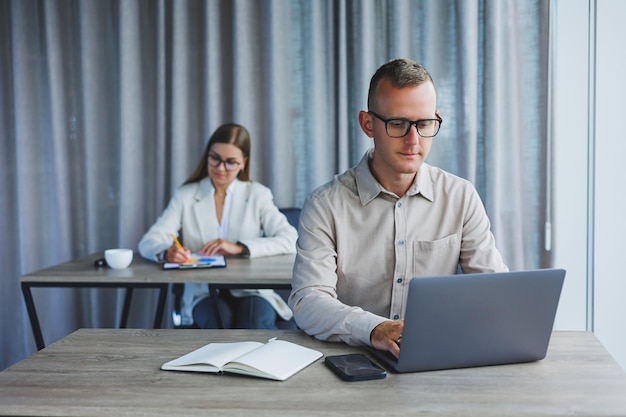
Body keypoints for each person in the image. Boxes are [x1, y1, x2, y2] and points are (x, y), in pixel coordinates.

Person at [288, 58, 508, 358]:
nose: (413, 139)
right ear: (368, 124)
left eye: (424, 123)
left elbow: (493, 290)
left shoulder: (460, 196)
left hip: (437, 358)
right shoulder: (325, 205)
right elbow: (308, 300)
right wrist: (375, 329)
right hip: (352, 361)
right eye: (398, 124)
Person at [139, 123, 297, 329]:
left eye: (230, 162)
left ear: (243, 163)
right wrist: (166, 252)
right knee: (218, 322)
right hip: (202, 291)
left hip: (251, 290)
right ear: (207, 156)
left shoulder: (258, 195)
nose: (220, 168)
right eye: (215, 158)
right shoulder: (186, 195)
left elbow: (291, 239)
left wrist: (241, 247)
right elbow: (149, 241)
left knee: (254, 324)